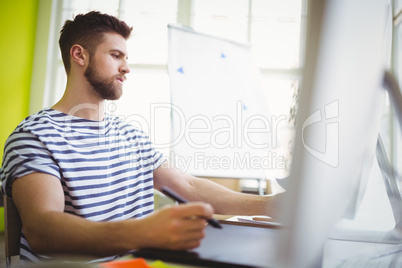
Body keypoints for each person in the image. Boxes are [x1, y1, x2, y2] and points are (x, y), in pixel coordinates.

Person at [0, 11, 279, 264]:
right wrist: (144, 232)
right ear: (79, 55)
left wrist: (269, 206)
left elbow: (188, 186)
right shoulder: (34, 136)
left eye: (126, 58)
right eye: (115, 55)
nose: (126, 68)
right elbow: (43, 231)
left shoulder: (130, 134)